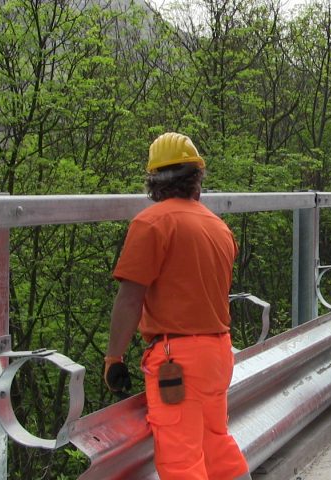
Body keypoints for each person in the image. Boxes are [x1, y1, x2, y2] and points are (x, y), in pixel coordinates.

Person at [103, 132, 251, 480]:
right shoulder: (218, 228)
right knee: (214, 441)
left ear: (153, 183)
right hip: (218, 352)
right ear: (197, 179)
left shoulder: (152, 223)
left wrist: (114, 357)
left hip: (177, 361)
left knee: (180, 459)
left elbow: (130, 298)